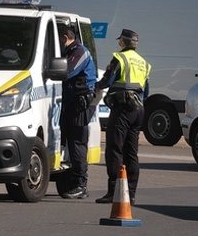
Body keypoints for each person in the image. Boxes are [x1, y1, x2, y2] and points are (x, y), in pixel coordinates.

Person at [93, 28, 151, 205]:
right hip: (138, 109)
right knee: (131, 152)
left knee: (114, 150)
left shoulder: (120, 58)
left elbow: (107, 81)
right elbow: (146, 91)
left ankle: (114, 192)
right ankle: (130, 194)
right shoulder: (143, 63)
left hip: (123, 108)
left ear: (122, 42)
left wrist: (94, 87)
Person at [58, 24, 97, 199]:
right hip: (71, 102)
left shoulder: (80, 52)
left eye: (58, 39)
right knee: (71, 142)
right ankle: (73, 181)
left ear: (65, 38)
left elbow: (67, 72)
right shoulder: (71, 51)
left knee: (77, 143)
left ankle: (81, 185)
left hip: (80, 103)